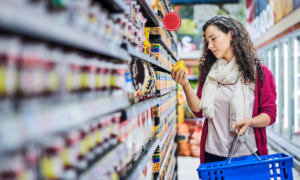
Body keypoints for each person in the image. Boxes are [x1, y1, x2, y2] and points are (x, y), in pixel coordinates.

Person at [171, 15, 277, 164]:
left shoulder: (260, 74)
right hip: (213, 155)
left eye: (213, 38)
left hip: (249, 155)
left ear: (230, 34)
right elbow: (199, 110)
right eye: (207, 41)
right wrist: (185, 84)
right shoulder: (210, 74)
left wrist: (250, 122)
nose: (209, 46)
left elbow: (270, 114)